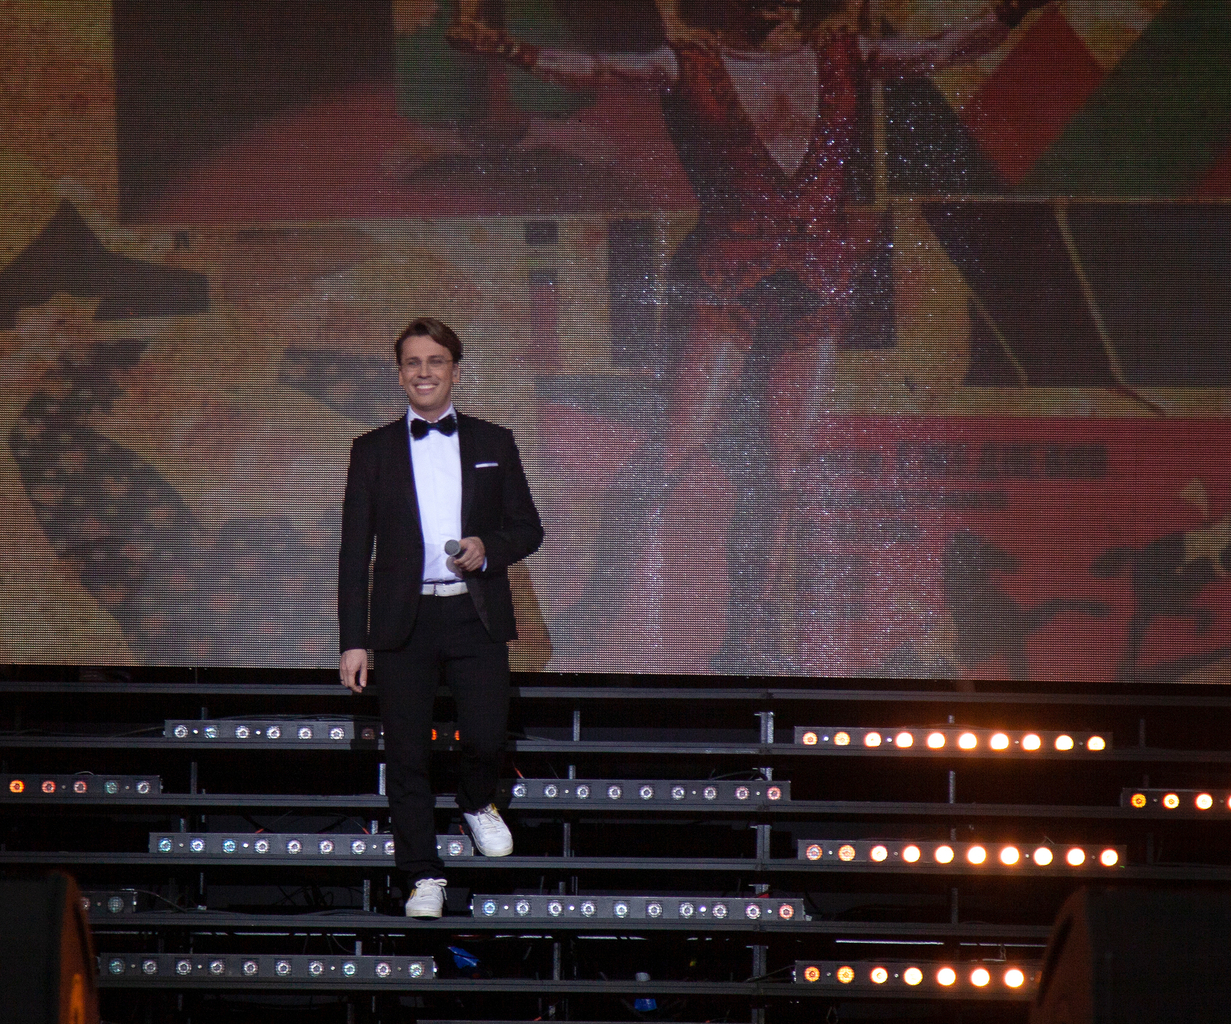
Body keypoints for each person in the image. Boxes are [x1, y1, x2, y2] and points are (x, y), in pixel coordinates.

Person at [448, 0, 1051, 670]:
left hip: (814, 289)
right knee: (671, 451)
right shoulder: (693, 64)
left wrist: (1010, 13)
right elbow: (594, 70)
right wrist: (506, 50)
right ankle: (595, 607)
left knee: (781, 472)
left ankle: (745, 637)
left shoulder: (843, 56)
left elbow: (943, 48)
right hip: (724, 283)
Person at [338, 318, 544, 918]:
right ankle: (422, 876)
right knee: (406, 754)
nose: (423, 372)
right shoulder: (372, 450)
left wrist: (488, 547)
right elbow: (354, 554)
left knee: (484, 734)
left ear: (455, 370)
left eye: (435, 361)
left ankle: (476, 802)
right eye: (412, 362)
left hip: (473, 612)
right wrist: (354, 640)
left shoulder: (493, 442)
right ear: (399, 372)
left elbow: (528, 528)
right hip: (403, 620)